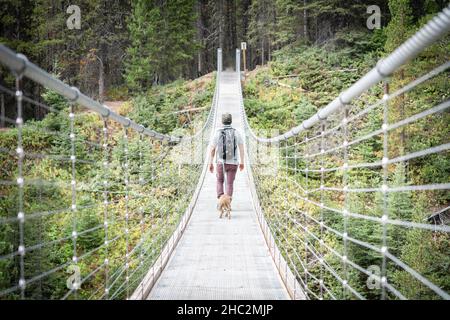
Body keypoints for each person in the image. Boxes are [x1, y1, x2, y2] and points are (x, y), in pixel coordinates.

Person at [209, 113, 245, 203]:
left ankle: (221, 201)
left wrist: (211, 162)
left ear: (222, 121)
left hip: (221, 162)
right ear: (231, 121)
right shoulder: (236, 132)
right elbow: (241, 148)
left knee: (220, 180)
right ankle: (228, 203)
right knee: (229, 183)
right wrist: (242, 162)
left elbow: (212, 149)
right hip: (233, 163)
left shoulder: (218, 133)